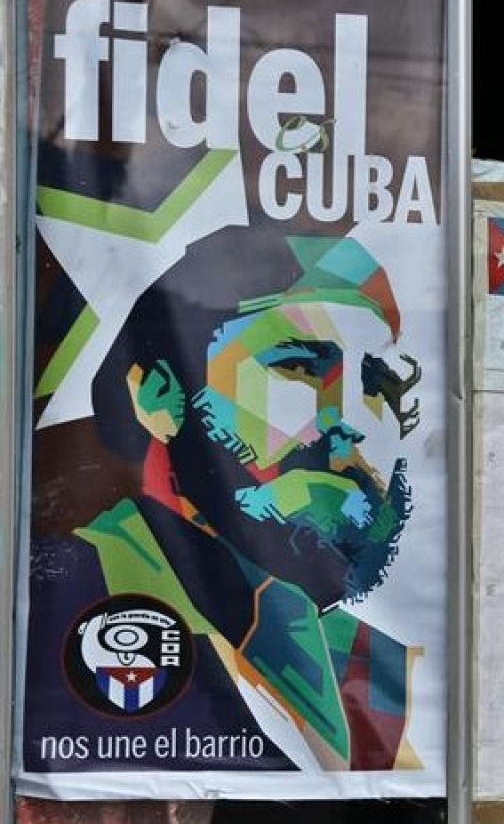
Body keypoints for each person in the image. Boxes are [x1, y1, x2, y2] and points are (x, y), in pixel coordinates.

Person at [26, 224, 425, 774]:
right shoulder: (70, 592)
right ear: (156, 394)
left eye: (380, 386)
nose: (351, 422)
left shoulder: (384, 671)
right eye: (299, 368)